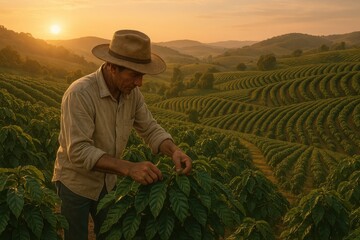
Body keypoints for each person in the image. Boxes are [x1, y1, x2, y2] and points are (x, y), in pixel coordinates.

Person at [52, 29, 192, 240]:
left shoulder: (132, 94)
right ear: (112, 67)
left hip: (107, 182)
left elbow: (150, 128)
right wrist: (129, 168)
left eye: (141, 75)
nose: (139, 83)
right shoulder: (80, 94)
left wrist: (174, 150)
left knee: (110, 234)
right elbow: (79, 151)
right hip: (75, 182)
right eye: (134, 75)